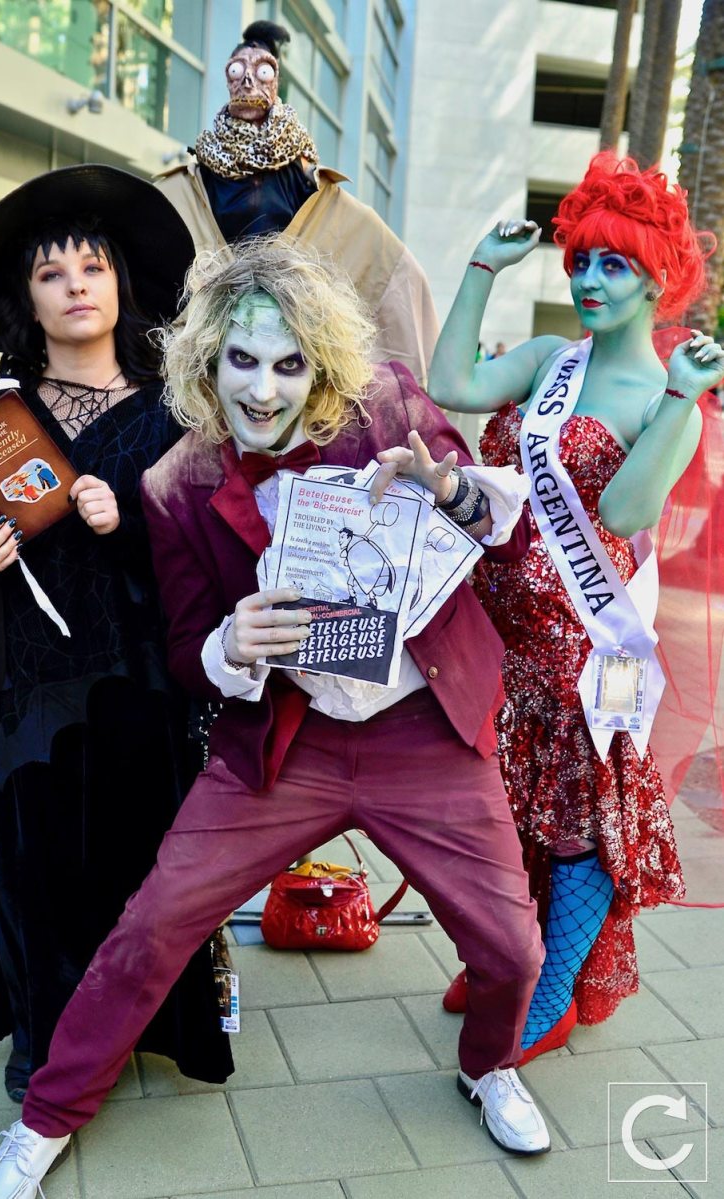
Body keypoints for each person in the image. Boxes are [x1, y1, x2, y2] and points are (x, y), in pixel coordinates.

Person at [0, 237, 553, 1199]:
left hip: (421, 727)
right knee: (154, 923)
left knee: (511, 946)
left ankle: (490, 1065)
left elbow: (499, 525)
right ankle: (45, 1120)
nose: (266, 389)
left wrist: (443, 485)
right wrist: (231, 647)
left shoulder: (392, 405)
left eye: (289, 363)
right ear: (208, 360)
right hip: (284, 745)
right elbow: (185, 649)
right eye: (244, 360)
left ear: (321, 360)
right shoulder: (177, 482)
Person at [0, 164, 234, 1104]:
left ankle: (145, 1025)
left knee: (143, 864)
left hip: (139, 683)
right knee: (30, 863)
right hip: (23, 682)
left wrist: (124, 520)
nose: (77, 285)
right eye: (52, 274)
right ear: (28, 298)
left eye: (92, 266)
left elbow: (209, 548)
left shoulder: (178, 413)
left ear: (122, 282)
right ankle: (48, 1043)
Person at [428, 152, 724, 1061]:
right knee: (507, 813)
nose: (591, 281)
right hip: (502, 637)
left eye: (616, 265)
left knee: (583, 817)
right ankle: (502, 963)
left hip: (592, 647)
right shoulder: (553, 360)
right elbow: (453, 386)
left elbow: (629, 511)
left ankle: (551, 988)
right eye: (583, 261)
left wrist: (682, 400)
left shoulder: (671, 396)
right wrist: (481, 268)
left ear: (659, 277)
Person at [157, 20, 438, 385]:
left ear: (275, 80)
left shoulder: (299, 173)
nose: (248, 82)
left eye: (262, 70)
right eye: (238, 70)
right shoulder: (194, 179)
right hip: (208, 362)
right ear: (228, 77)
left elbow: (382, 264)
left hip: (288, 356)